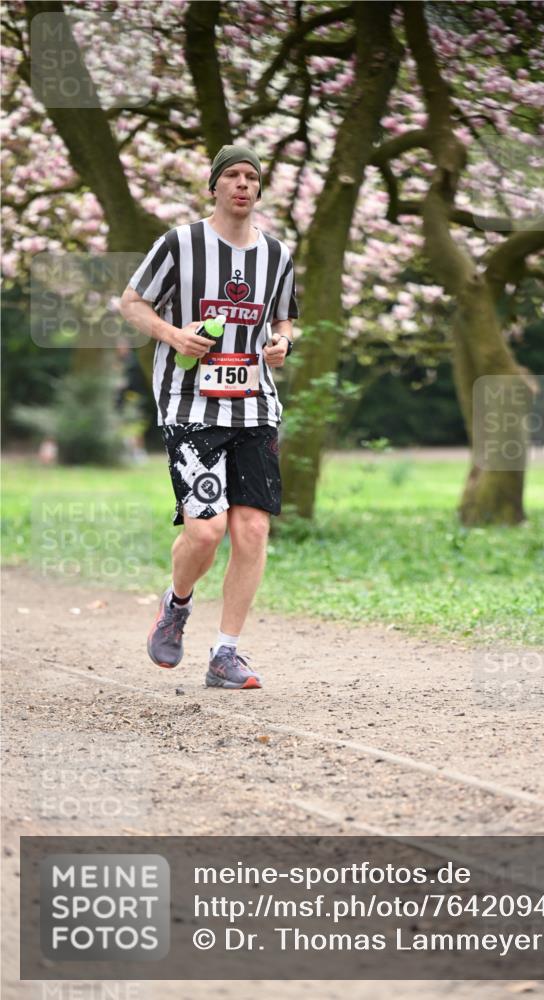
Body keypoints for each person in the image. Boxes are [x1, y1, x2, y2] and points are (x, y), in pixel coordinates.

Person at [119, 144, 298, 690]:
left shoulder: (277, 255)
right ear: (215, 186)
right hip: (189, 403)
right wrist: (175, 336)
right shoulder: (180, 243)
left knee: (253, 528)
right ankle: (176, 606)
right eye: (233, 176)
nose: (243, 185)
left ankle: (226, 654)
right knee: (206, 530)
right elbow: (131, 302)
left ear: (258, 189)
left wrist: (281, 344)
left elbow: (287, 319)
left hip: (254, 404)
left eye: (251, 177)